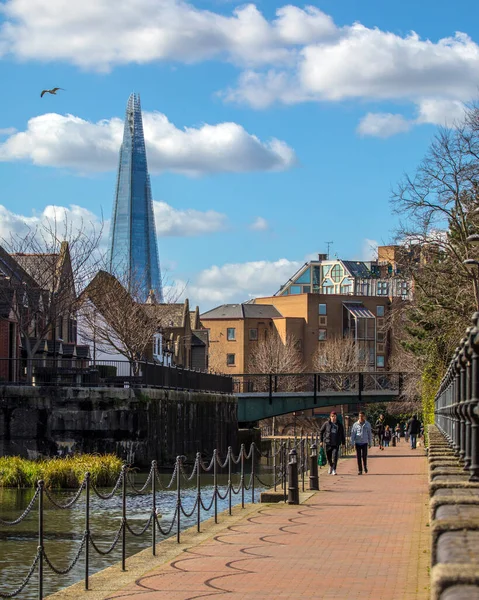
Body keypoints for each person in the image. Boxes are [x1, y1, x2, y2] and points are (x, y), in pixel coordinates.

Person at [319, 411, 345, 475]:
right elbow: (321, 432)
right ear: (330, 417)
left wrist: (343, 443)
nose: (333, 418)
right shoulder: (327, 424)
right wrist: (321, 441)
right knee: (329, 457)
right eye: (332, 416)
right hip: (328, 442)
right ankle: (331, 465)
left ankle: (334, 469)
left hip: (336, 443)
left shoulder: (339, 425)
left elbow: (342, 434)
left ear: (336, 417)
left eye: (334, 416)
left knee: (335, 456)